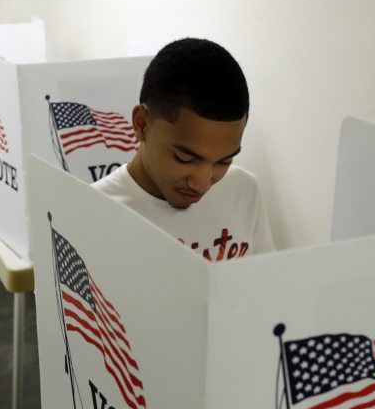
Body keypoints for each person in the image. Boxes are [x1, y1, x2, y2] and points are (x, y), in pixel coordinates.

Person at [93, 37, 274, 261]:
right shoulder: (94, 213)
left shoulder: (244, 191)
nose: (202, 183)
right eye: (184, 158)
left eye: (223, 162)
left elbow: (263, 290)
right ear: (141, 124)